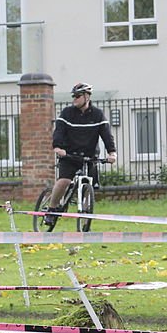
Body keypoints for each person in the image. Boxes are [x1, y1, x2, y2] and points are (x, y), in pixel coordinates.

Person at [47, 82, 117, 225]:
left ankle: (85, 220)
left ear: (86, 97)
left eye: (78, 96)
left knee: (88, 186)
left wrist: (112, 153)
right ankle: (51, 209)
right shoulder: (67, 113)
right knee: (64, 181)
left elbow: (106, 134)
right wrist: (58, 147)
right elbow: (59, 131)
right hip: (69, 155)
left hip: (89, 157)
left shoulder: (97, 115)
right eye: (74, 96)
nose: (75, 99)